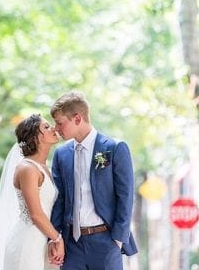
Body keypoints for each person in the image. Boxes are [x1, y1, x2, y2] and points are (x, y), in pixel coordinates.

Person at [50, 91, 138, 269]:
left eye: (60, 123)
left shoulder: (114, 148)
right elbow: (59, 199)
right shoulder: (61, 154)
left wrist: (118, 239)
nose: (56, 129)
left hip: (106, 242)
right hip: (71, 245)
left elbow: (126, 195)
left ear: (77, 118)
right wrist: (55, 238)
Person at [0, 114, 64, 269]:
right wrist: (57, 239)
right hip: (27, 242)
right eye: (46, 127)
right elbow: (35, 214)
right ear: (36, 137)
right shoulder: (27, 168)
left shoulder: (45, 168)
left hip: (43, 240)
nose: (53, 128)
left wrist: (52, 239)